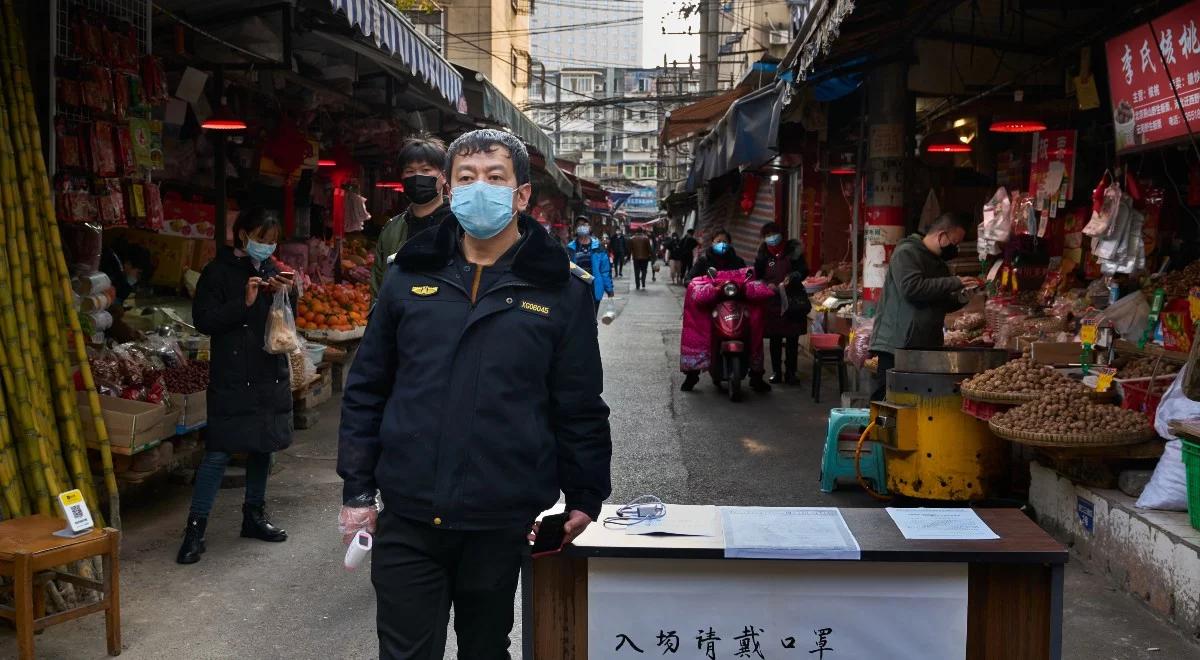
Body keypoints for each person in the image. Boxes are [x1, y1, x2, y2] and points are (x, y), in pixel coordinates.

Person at [337, 128, 612, 660]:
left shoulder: (562, 290)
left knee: (485, 649)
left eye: (494, 177)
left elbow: (577, 403)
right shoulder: (408, 277)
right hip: (410, 511)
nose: (478, 189)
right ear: (448, 187)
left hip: (501, 516)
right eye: (466, 178)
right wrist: (357, 488)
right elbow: (368, 388)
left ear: (522, 194)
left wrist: (584, 494)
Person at [177, 208, 295, 565]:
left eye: (273, 241)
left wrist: (287, 294)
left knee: (264, 446)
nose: (267, 247)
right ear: (242, 234)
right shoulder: (217, 272)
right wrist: (242, 303)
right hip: (231, 375)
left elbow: (288, 323)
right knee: (219, 451)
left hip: (267, 370)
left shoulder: (273, 270)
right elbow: (204, 321)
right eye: (262, 238)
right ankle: (195, 529)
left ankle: (254, 516)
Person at [869, 211, 977, 401]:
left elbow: (939, 300)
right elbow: (912, 289)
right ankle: (874, 431)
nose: (956, 248)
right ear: (941, 235)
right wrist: (955, 282)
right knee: (888, 399)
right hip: (897, 343)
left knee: (914, 401)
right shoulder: (907, 253)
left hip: (924, 345)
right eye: (954, 242)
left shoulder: (939, 264)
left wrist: (964, 296)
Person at [370, 136, 455, 299]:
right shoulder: (391, 229)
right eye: (410, 171)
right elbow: (378, 287)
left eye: (425, 170)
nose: (417, 177)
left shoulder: (459, 225)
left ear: (443, 176)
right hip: (400, 319)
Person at [754, 223, 810, 384]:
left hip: (792, 300)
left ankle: (791, 372)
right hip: (772, 301)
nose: (772, 237)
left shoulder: (793, 250)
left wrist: (793, 277)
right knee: (775, 339)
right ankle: (777, 372)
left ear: (781, 233)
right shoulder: (763, 253)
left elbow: (803, 270)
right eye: (768, 234)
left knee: (792, 338)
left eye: (774, 233)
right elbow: (757, 275)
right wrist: (765, 284)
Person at [98, 239, 153, 342]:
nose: (136, 279)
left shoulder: (121, 278)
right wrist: (128, 334)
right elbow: (109, 312)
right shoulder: (110, 269)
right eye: (138, 273)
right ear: (128, 264)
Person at [567, 217, 615, 315]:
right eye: (579, 225)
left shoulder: (599, 247)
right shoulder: (570, 248)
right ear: (576, 228)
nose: (582, 227)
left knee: (592, 319)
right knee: (578, 319)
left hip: (594, 289)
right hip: (576, 290)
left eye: (585, 224)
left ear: (589, 227)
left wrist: (609, 289)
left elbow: (605, 271)